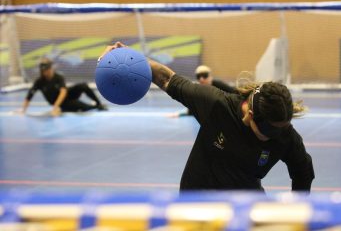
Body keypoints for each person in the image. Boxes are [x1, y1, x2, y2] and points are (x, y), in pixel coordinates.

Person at [100, 42, 315, 192]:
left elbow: (303, 171)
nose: (276, 135)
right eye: (270, 129)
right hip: (197, 197)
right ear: (250, 115)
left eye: (282, 128)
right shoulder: (216, 105)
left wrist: (298, 209)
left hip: (244, 202)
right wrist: (128, 57)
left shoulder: (285, 136)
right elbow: (167, 79)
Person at [20, 58, 107, 116]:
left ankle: (99, 104)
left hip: (65, 96)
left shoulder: (58, 77)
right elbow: (30, 95)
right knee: (81, 106)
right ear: (42, 71)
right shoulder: (39, 81)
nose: (46, 72)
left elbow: (63, 92)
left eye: (48, 69)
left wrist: (55, 107)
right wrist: (23, 110)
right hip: (61, 103)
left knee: (83, 86)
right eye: (44, 70)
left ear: (51, 68)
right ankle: (95, 107)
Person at [173, 65, 238, 117]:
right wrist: (180, 115)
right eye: (198, 76)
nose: (201, 79)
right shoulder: (196, 90)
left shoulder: (219, 85)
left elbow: (234, 93)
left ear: (210, 76)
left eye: (204, 75)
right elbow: (192, 108)